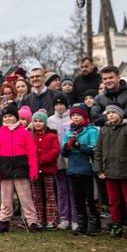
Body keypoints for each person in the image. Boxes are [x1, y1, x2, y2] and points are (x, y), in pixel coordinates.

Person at [0, 104, 41, 233]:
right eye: (5, 116)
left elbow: (32, 153)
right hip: (5, 170)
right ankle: (4, 221)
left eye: (10, 116)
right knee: (5, 199)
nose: (7, 119)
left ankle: (32, 221)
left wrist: (33, 170)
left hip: (21, 169)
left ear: (16, 117)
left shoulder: (25, 133)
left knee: (26, 198)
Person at [93, 105, 127, 239]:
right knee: (113, 201)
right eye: (108, 113)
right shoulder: (103, 130)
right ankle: (116, 225)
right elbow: (98, 151)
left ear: (120, 115)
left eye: (113, 113)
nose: (110, 115)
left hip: (126, 171)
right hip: (109, 172)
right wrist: (99, 169)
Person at [61, 104, 99, 236]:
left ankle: (94, 224)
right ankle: (82, 224)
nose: (75, 117)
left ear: (84, 116)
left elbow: (93, 150)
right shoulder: (69, 132)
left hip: (87, 169)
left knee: (90, 199)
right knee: (78, 199)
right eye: (73, 115)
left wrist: (77, 145)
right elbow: (64, 153)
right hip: (73, 169)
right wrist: (67, 146)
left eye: (78, 115)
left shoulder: (91, 131)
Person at [47, 95, 77, 231]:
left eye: (62, 104)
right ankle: (64, 218)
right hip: (57, 159)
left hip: (71, 159)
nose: (59, 107)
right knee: (61, 189)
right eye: (56, 105)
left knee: (73, 189)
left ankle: (75, 218)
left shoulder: (72, 119)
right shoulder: (50, 121)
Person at [29, 110, 60, 229]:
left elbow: (55, 151)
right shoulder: (30, 136)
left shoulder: (52, 136)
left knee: (49, 194)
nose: (38, 123)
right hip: (34, 170)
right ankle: (38, 219)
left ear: (45, 123)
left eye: (40, 121)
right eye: (35, 121)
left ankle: (51, 219)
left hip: (48, 169)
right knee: (36, 195)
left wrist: (41, 160)